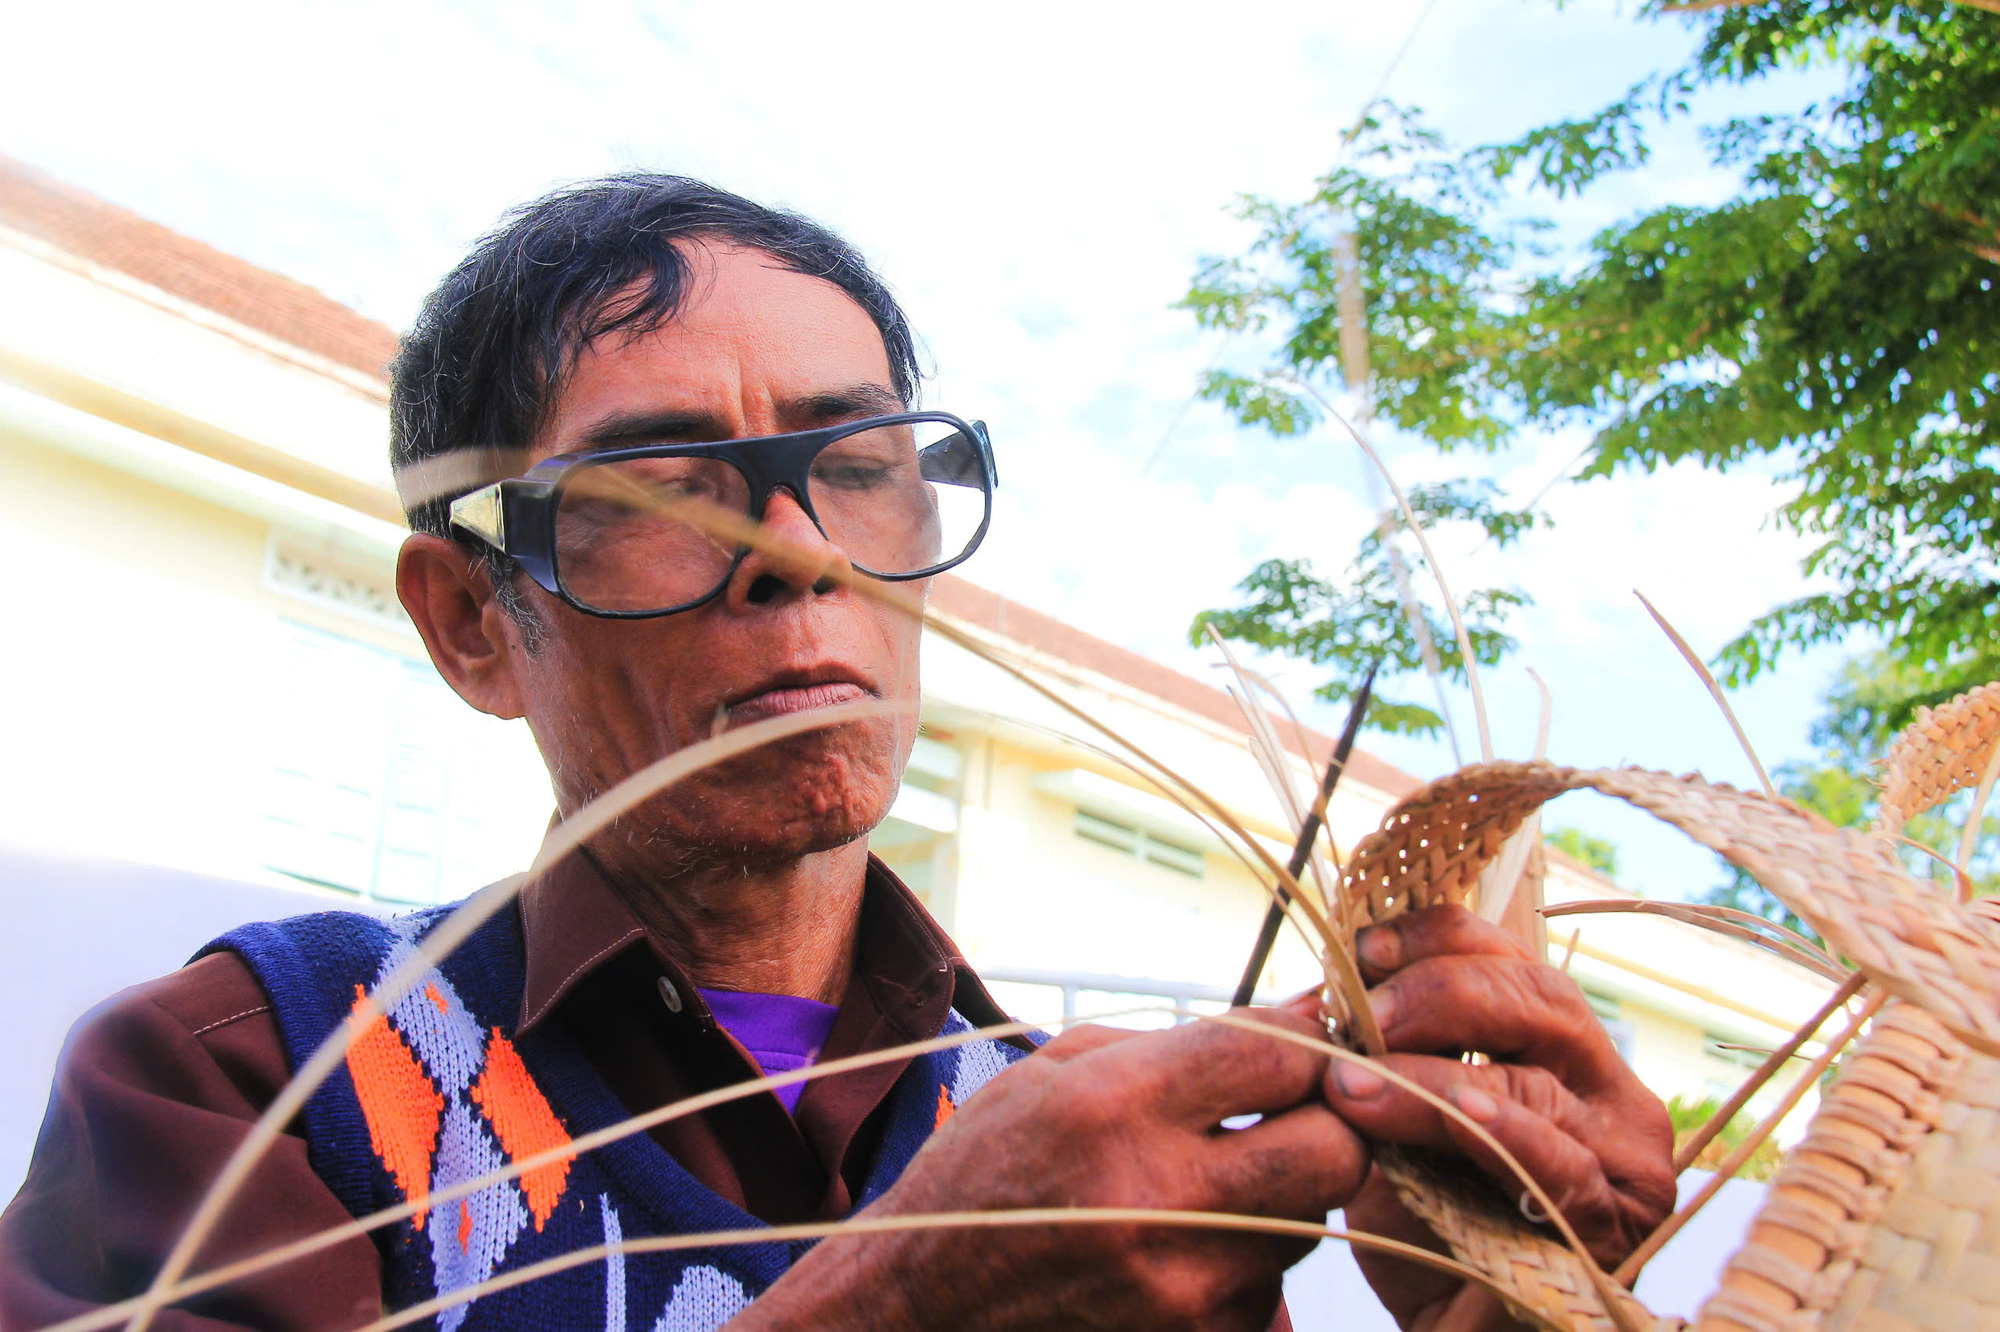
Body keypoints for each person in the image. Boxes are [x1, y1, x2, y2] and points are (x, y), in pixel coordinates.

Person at [0, 175, 1675, 1332]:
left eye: (860, 464)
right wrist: (901, 1299)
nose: (800, 552)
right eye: (657, 486)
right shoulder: (256, 1079)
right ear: (467, 623)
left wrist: (1503, 1301)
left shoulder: (1092, 1151)